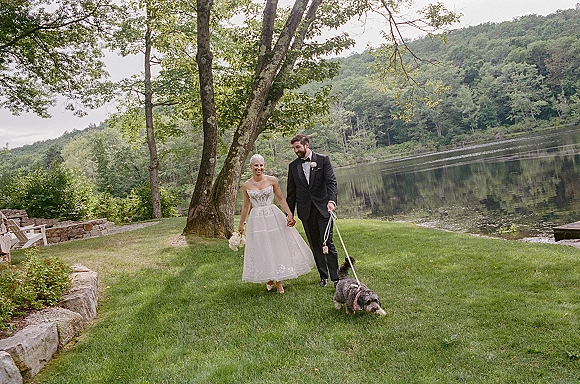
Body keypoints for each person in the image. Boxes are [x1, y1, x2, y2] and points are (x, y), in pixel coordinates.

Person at [238, 154, 315, 293]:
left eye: (261, 165)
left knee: (276, 246)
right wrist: (241, 223)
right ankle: (269, 277)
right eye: (256, 165)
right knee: (262, 247)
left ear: (264, 166)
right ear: (251, 167)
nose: (259, 168)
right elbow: (245, 206)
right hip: (257, 219)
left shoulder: (272, 180)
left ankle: (279, 281)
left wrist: (289, 213)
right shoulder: (246, 185)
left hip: (273, 215)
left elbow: (280, 198)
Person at [286, 134, 339, 287]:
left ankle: (336, 278)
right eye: (294, 148)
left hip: (323, 208)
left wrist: (331, 200)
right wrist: (289, 213)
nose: (296, 150)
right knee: (315, 244)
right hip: (306, 211)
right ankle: (323, 277)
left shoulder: (323, 160)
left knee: (327, 242)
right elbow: (292, 192)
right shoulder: (293, 166)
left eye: (298, 147)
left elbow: (331, 182)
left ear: (306, 145)